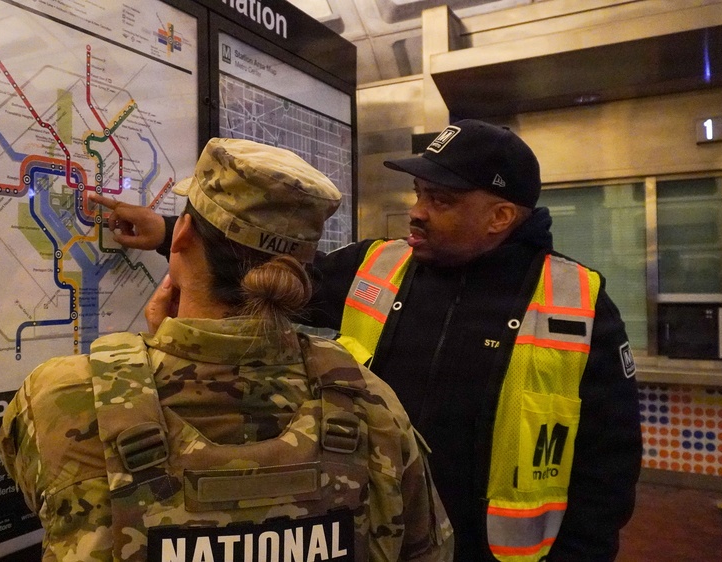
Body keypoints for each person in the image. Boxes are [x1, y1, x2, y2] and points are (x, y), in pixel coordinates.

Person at [92, 120, 643, 562]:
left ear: (500, 216)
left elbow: (607, 470)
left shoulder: (576, 303)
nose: (418, 211)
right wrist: (172, 232)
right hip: (386, 538)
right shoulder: (375, 267)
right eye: (419, 192)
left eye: (443, 200)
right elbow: (263, 275)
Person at [0, 138, 454, 562]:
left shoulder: (62, 395)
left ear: (181, 236)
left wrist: (158, 353)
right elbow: (427, 550)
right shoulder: (371, 403)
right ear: (301, 267)